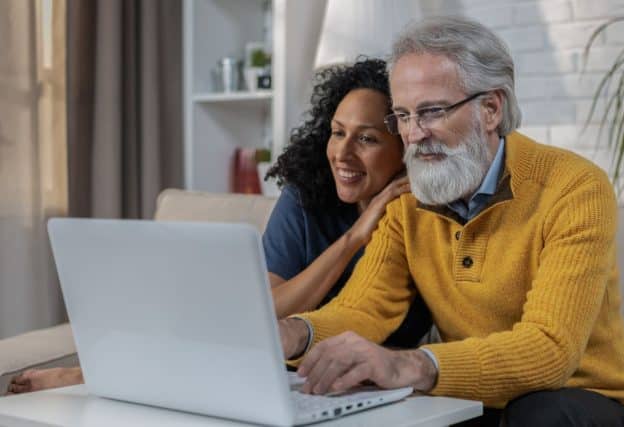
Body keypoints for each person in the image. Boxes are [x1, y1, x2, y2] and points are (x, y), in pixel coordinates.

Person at [277, 16, 624, 427]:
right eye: (403, 115)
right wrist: (294, 333)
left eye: (431, 112)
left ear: (490, 108)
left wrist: (409, 366)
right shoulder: (408, 197)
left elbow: (550, 350)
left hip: (578, 401)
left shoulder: (574, 187)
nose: (413, 134)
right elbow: (363, 308)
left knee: (541, 415)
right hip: (474, 398)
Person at [6, 58, 431, 395]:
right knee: (215, 328)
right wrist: (354, 237)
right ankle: (89, 374)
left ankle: (93, 374)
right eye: (337, 133)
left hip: (368, 374)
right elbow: (268, 309)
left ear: (405, 147)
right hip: (278, 361)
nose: (343, 153)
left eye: (367, 139)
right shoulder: (306, 199)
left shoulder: (421, 214)